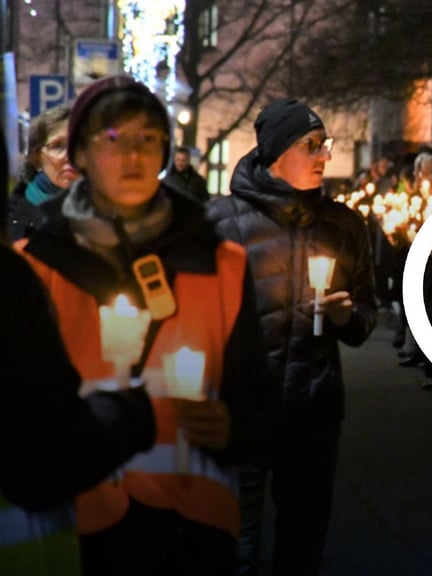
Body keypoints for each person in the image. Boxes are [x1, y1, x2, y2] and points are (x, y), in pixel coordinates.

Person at [15, 75, 272, 575]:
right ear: (80, 156)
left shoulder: (221, 264)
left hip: (190, 532)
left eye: (147, 139)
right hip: (75, 526)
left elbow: (258, 402)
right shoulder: (33, 267)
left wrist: (233, 428)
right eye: (112, 140)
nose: (132, 156)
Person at [207, 98, 377, 576]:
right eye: (312, 145)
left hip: (313, 408)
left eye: (326, 144)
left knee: (303, 539)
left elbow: (367, 316)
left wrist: (346, 317)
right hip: (240, 409)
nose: (325, 155)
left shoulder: (344, 225)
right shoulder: (221, 223)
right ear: (277, 153)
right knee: (236, 538)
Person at [0, 110, 156, 576]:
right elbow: (39, 449)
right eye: (56, 146)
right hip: (48, 504)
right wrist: (127, 413)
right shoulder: (20, 256)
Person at [7, 104, 78, 240]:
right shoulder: (10, 216)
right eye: (57, 146)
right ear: (37, 157)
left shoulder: (108, 211)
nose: (69, 156)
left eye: (78, 145)